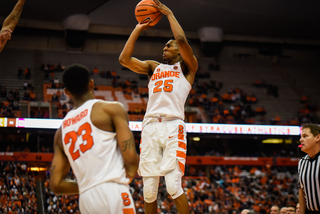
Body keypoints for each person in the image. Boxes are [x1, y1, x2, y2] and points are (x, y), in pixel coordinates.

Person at [119, 0, 198, 213]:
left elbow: (181, 38)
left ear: (180, 52)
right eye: (164, 46)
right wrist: (137, 29)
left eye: (168, 46)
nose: (164, 48)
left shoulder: (188, 67)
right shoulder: (154, 67)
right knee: (149, 191)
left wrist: (169, 14)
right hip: (151, 126)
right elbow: (124, 59)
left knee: (173, 186)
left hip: (173, 126)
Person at [49, 64, 139, 213]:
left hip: (86, 199)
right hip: (113, 190)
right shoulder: (111, 109)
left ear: (66, 91)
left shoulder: (60, 132)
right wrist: (130, 173)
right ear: (91, 84)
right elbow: (130, 157)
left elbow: (56, 184)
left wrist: (89, 185)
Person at [298, 124, 320, 214]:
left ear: (317, 138)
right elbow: (302, 191)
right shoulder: (302, 162)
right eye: (301, 137)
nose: (301, 140)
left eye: (305, 136)